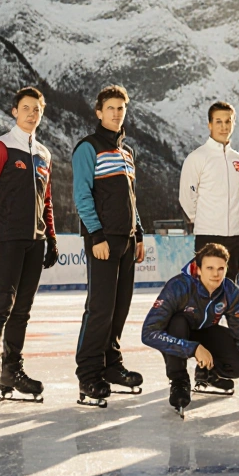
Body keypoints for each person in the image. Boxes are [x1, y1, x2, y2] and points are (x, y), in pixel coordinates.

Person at [0, 87, 58, 416]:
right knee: (1, 308)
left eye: (37, 109)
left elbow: (46, 200)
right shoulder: (0, 148)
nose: (32, 114)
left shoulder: (44, 155)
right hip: (8, 240)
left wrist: (50, 236)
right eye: (26, 108)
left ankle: (12, 372)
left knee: (22, 311)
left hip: (34, 242)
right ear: (14, 112)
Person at [72, 85, 147, 407]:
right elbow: (82, 195)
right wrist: (97, 235)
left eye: (121, 108)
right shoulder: (88, 148)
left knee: (120, 307)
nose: (117, 113)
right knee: (100, 308)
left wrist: (139, 233)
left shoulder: (126, 153)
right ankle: (89, 373)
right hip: (103, 240)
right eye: (111, 108)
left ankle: (111, 365)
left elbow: (131, 198)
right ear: (99, 112)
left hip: (127, 240)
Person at [141, 242, 239, 417]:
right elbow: (148, 333)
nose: (215, 273)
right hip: (177, 335)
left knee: (236, 367)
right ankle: (179, 380)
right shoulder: (178, 286)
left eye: (220, 268)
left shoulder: (230, 291)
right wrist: (193, 348)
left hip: (204, 333)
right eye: (210, 268)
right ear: (198, 269)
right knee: (178, 322)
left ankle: (209, 374)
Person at [180, 101, 239, 282]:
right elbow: (187, 197)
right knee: (205, 289)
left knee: (230, 288)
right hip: (207, 235)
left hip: (233, 235)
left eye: (228, 121)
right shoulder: (197, 157)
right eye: (218, 121)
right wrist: (201, 220)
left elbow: (238, 194)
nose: (224, 126)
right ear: (210, 124)